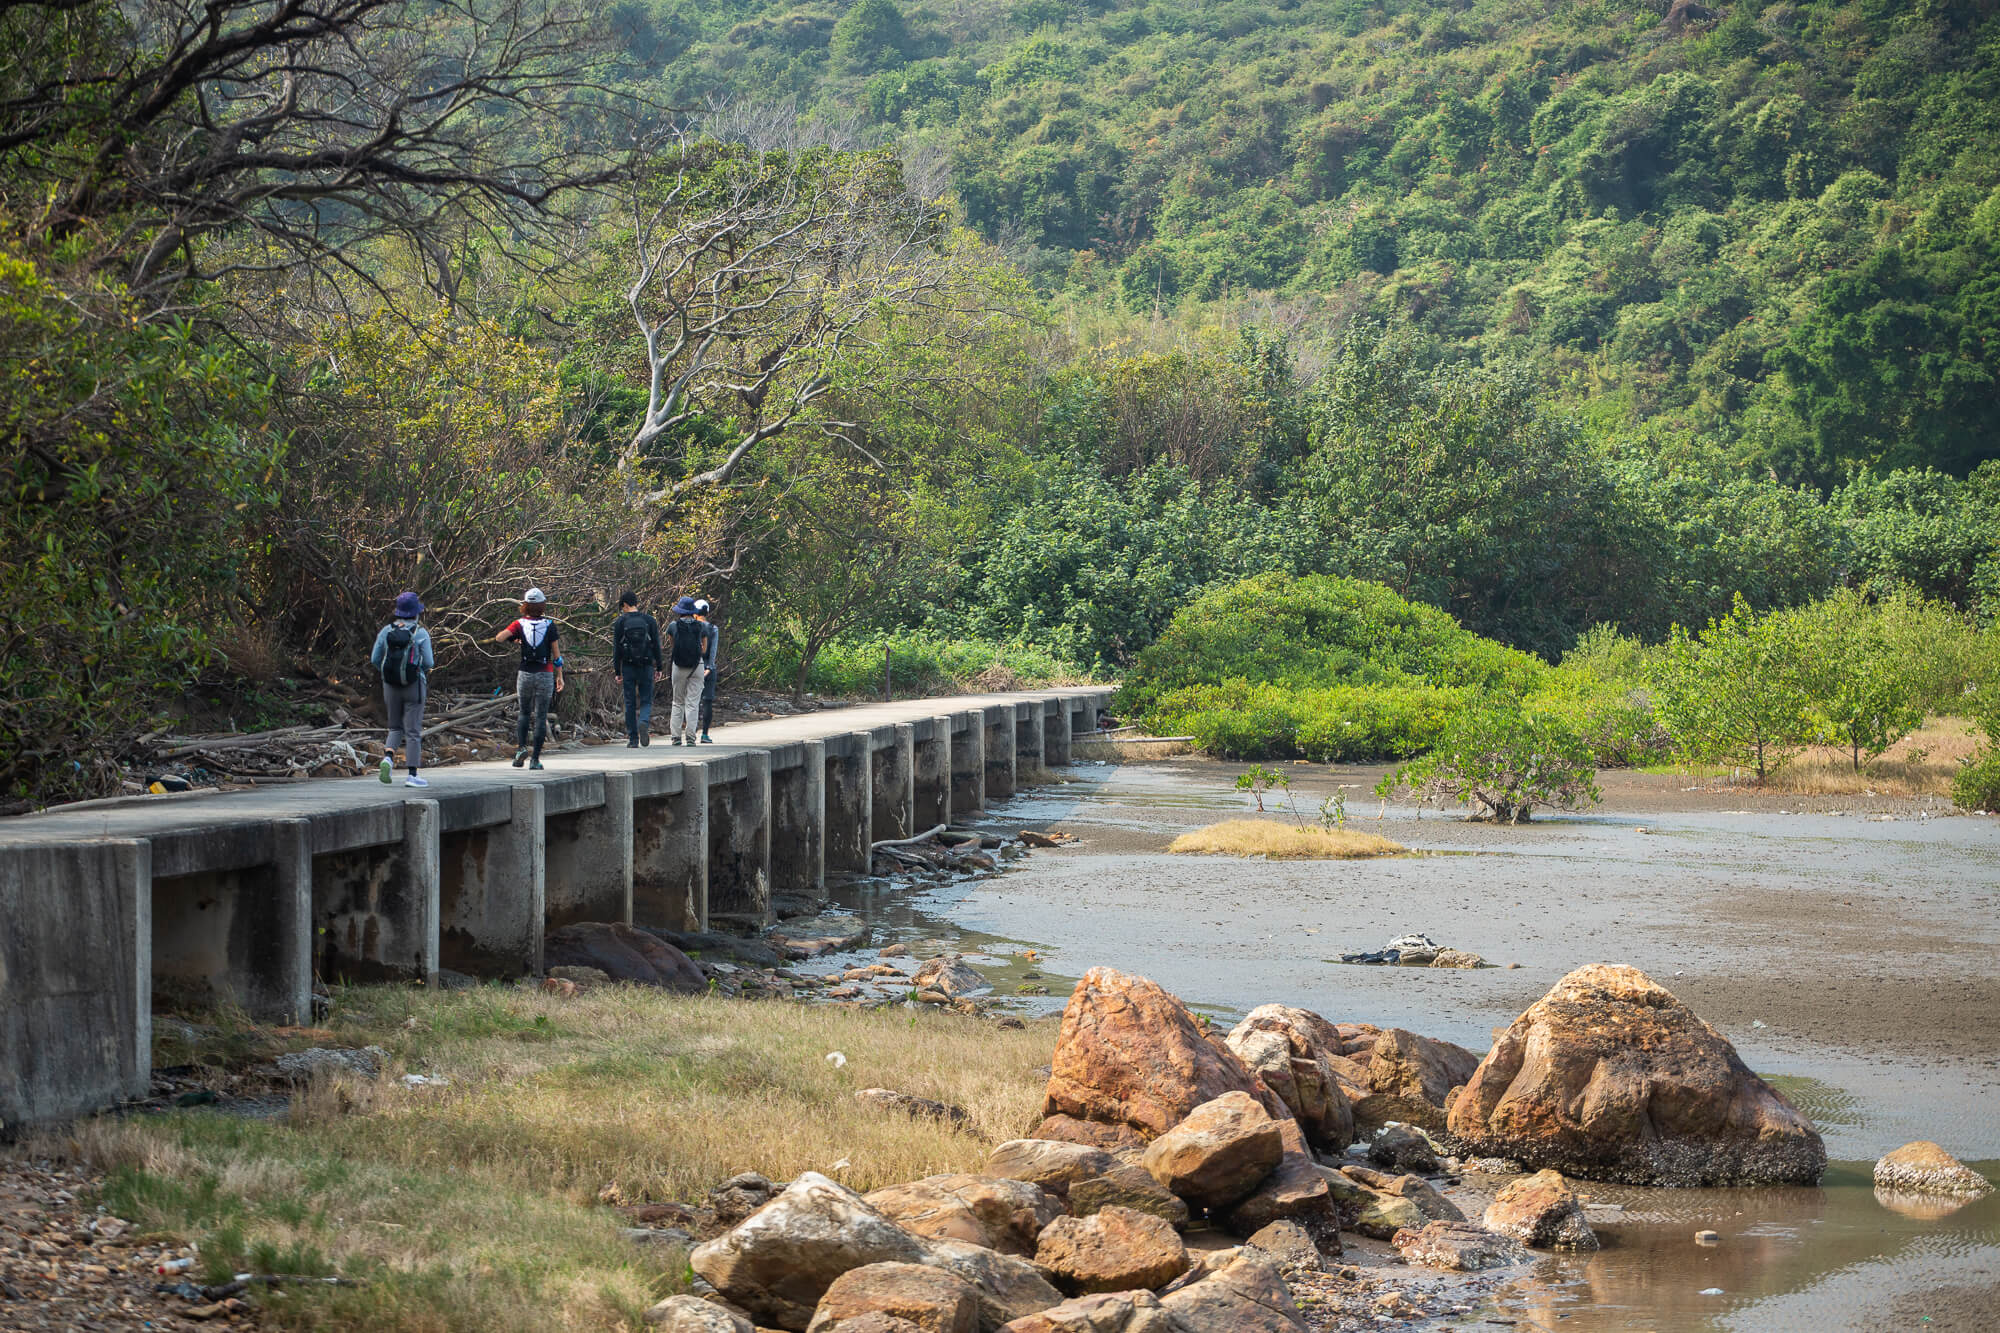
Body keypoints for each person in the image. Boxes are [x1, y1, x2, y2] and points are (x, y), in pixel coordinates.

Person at [371, 590, 435, 787]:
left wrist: (389, 674)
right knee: (413, 730)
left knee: (395, 726)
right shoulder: (420, 633)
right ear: (416, 613)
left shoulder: (386, 631)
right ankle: (412, 775)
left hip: (390, 685)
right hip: (414, 686)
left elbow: (375, 659)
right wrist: (416, 671)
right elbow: (429, 662)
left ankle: (388, 757)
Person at [494, 587, 563, 770]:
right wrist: (560, 676)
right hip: (545, 673)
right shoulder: (549, 625)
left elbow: (499, 638)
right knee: (541, 716)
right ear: (542, 605)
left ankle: (521, 749)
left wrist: (515, 639)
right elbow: (557, 656)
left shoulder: (518, 624)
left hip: (525, 673)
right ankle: (535, 760)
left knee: (524, 713)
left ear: (525, 605)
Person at [611, 590, 662, 748]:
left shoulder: (620, 622)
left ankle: (633, 739)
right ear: (636, 603)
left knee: (630, 702)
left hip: (628, 666)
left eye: (622, 607)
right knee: (646, 699)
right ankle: (644, 722)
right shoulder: (649, 620)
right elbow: (656, 646)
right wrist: (659, 666)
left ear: (625, 605)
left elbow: (616, 648)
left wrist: (617, 671)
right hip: (646, 665)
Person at [664, 595, 714, 746]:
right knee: (692, 702)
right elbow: (704, 650)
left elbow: (672, 644)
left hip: (678, 666)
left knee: (677, 702)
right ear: (693, 611)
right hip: (696, 666)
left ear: (680, 611)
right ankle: (691, 738)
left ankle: (676, 737)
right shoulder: (701, 626)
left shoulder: (673, 626)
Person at [693, 597, 719, 744]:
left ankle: (691, 733)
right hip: (708, 669)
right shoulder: (713, 628)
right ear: (707, 612)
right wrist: (709, 667)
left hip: (693, 667)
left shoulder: (692, 627)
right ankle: (705, 734)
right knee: (707, 701)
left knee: (692, 701)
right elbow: (713, 651)